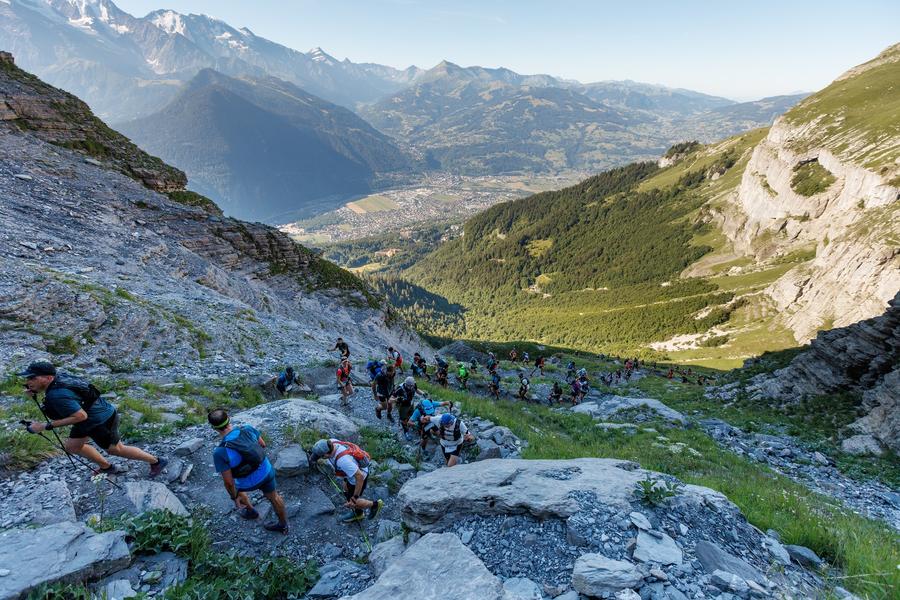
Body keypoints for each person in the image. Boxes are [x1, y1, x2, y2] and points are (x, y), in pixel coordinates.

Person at [19, 361, 167, 477]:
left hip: (100, 420)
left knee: (116, 450)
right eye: (28, 377)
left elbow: (80, 415)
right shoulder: (59, 379)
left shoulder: (56, 394)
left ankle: (157, 461)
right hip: (89, 418)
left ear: (48, 377)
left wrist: (45, 426)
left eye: (32, 377)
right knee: (72, 447)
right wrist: (36, 394)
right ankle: (107, 468)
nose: (28, 381)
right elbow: (72, 409)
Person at [209, 408, 288, 534]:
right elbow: (263, 444)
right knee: (274, 497)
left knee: (235, 488)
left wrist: (233, 497)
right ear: (229, 419)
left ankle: (251, 511)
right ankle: (283, 525)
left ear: (213, 427)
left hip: (247, 483)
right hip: (266, 472)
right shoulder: (247, 429)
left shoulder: (220, 452)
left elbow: (229, 483)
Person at [310, 439, 383, 523]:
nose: (320, 458)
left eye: (321, 456)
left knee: (354, 502)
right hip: (351, 472)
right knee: (346, 489)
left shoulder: (343, 461)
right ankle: (357, 510)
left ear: (326, 454)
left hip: (358, 477)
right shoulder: (331, 442)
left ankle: (374, 505)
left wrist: (354, 498)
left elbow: (360, 477)